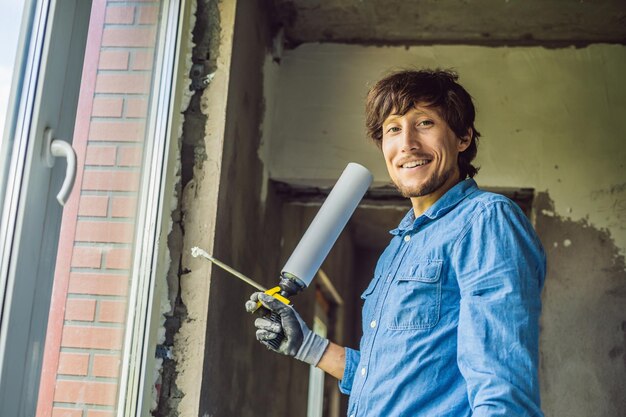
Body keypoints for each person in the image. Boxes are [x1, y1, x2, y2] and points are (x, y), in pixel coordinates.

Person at [245, 69, 546, 417]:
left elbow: (502, 388)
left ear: (463, 138)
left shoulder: (485, 220)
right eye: (393, 128)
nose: (407, 143)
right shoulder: (401, 246)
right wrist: (307, 346)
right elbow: (389, 382)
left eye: (425, 123)